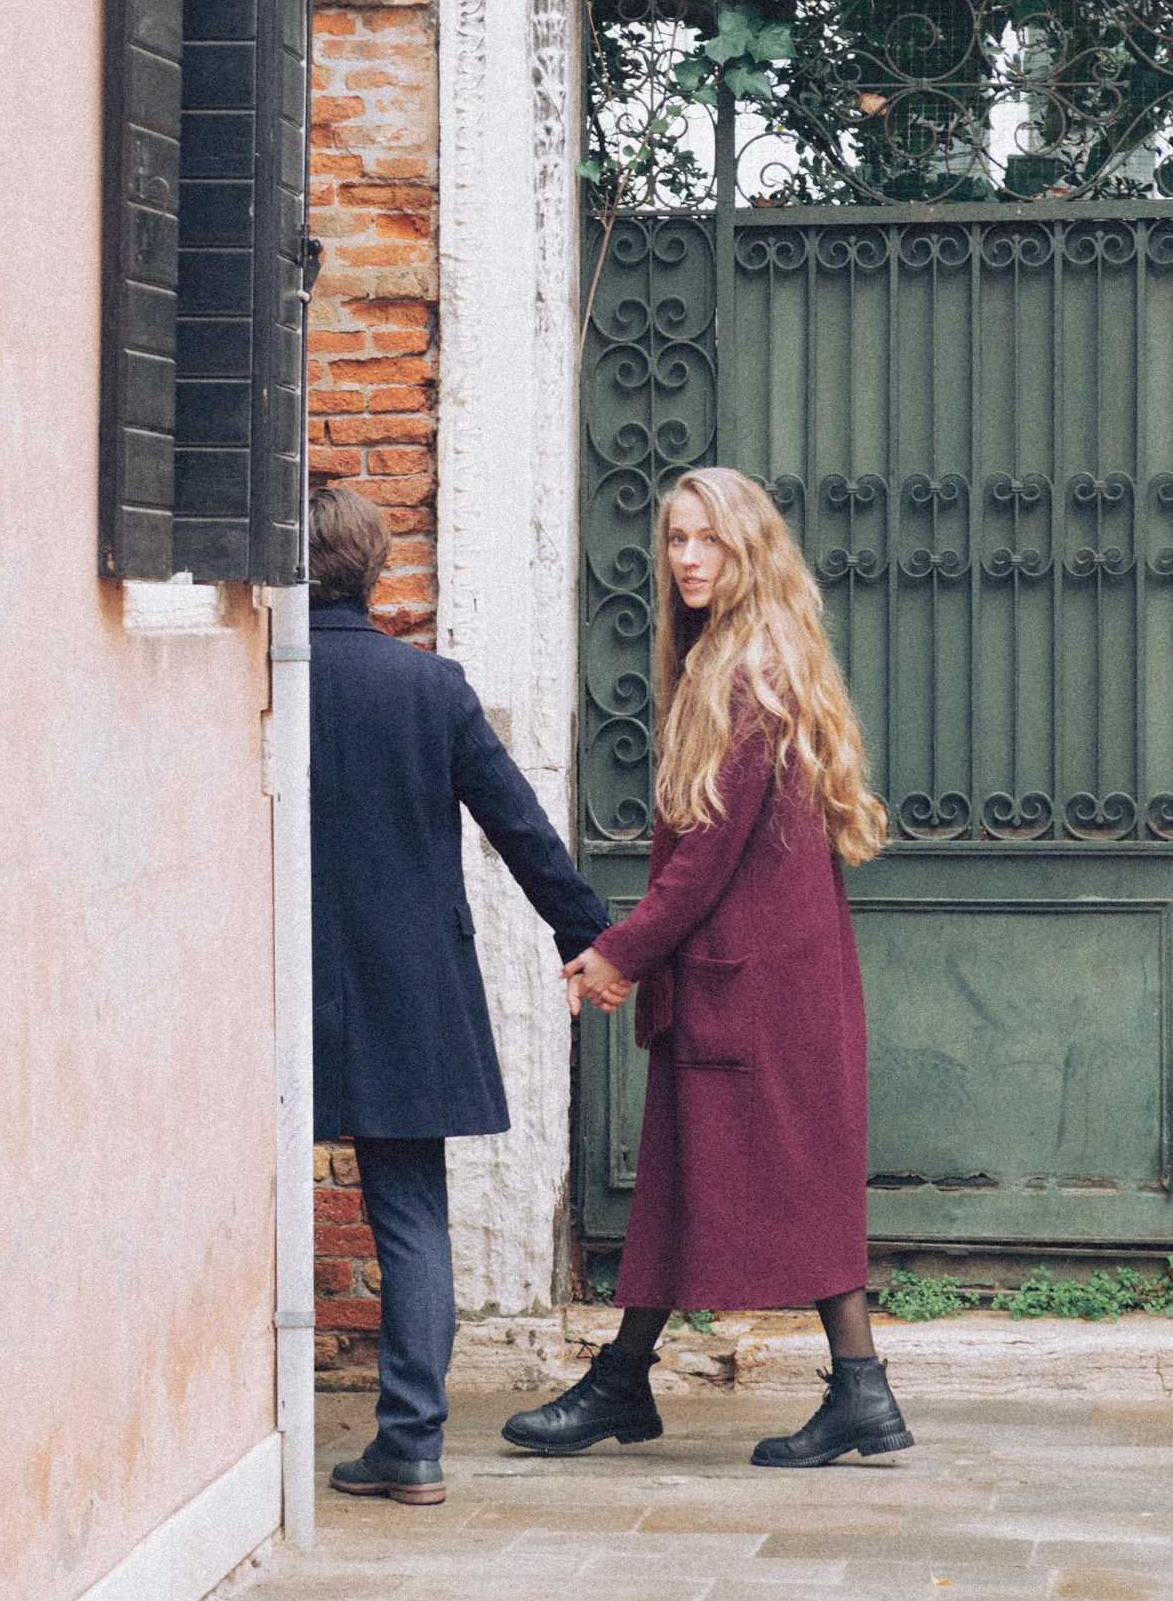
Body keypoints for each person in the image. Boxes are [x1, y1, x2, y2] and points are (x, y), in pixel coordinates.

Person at [503, 466, 912, 1469]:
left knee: (798, 1181)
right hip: (753, 974)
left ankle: (856, 1392)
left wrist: (615, 956)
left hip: (760, 982)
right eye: (676, 540)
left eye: (707, 541)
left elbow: (706, 857)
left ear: (748, 548)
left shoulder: (748, 675)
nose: (686, 558)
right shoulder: (743, 657)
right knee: (679, 1177)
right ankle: (626, 1381)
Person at [309, 482, 609, 1505]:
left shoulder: (258, 685)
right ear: (375, 566)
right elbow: (521, 830)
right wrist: (592, 939)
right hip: (409, 984)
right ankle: (413, 1444)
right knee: (408, 1206)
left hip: (279, 979)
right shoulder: (432, 691)